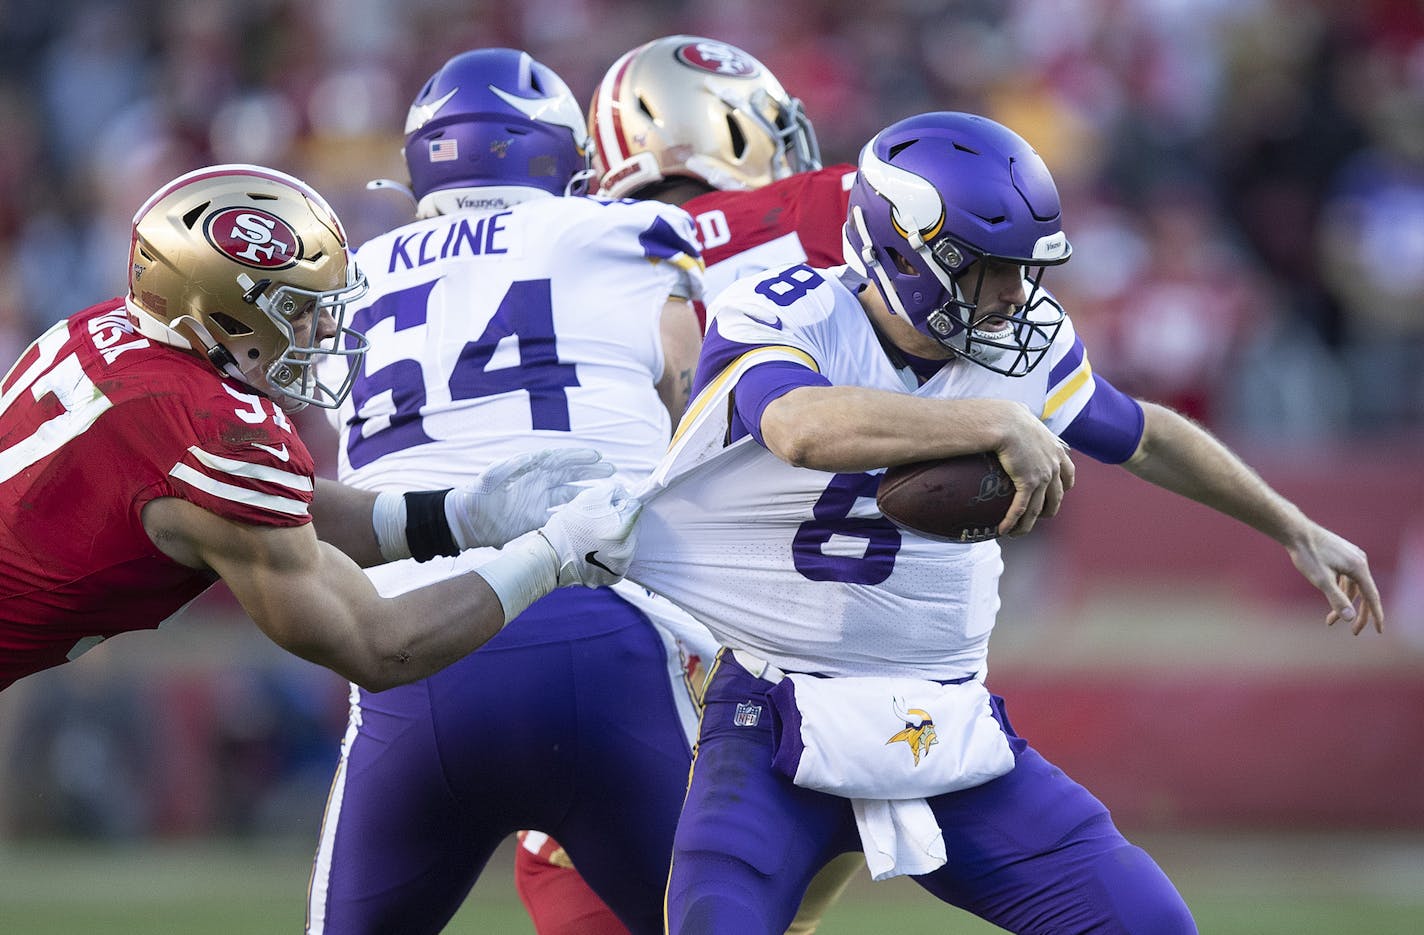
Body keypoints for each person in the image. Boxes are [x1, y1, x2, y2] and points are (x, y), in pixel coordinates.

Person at [625, 111, 1383, 934]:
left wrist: (1291, 524)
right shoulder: (785, 311)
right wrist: (992, 423)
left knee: (1150, 924)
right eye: (992, 270)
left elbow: (1145, 435)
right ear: (912, 252)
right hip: (771, 706)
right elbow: (800, 426)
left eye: (1026, 270)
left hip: (939, 716)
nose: (1017, 297)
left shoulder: (1021, 345)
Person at [302, 49, 709, 935]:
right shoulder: (619, 233)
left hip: (410, 655)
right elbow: (703, 402)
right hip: (605, 638)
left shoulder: (354, 274)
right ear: (554, 152)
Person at [0, 163, 638, 695]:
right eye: (302, 310)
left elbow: (282, 515)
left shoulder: (116, 329)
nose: (326, 331)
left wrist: (457, 519)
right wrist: (552, 557)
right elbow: (381, 648)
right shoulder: (214, 434)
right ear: (226, 315)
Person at [514, 34, 861, 935]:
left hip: (566, 604)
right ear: (725, 125)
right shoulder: (809, 211)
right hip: (740, 607)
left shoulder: (560, 245)